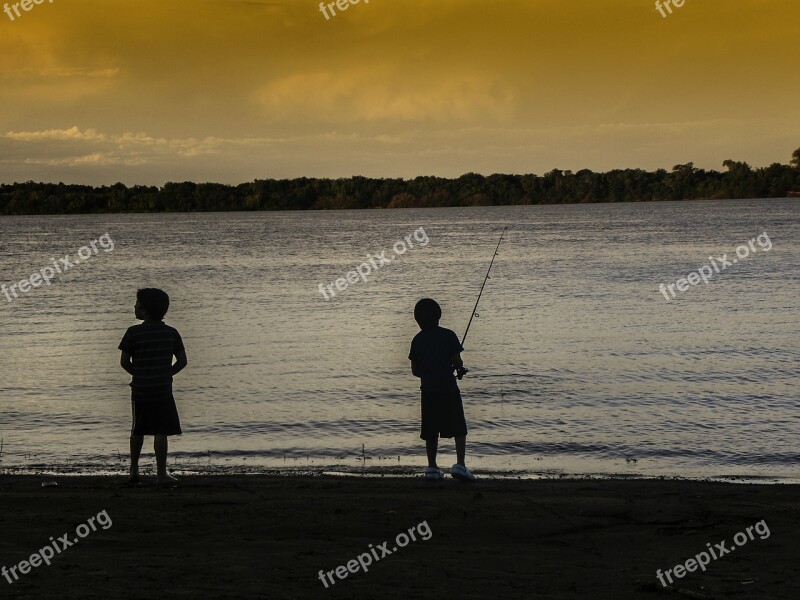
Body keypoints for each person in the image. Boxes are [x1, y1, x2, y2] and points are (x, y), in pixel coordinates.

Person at [119, 288, 187, 487]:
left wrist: (139, 374)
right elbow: (182, 361)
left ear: (145, 310)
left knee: (137, 429)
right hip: (162, 389)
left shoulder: (133, 332)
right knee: (161, 430)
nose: (134, 306)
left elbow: (124, 361)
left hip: (140, 388)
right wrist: (166, 374)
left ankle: (133, 470)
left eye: (137, 303)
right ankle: (161, 473)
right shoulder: (171, 333)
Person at [409, 298, 475, 481]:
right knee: (458, 426)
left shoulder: (417, 340)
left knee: (430, 429)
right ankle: (460, 465)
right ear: (438, 316)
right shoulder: (448, 335)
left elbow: (415, 370)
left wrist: (430, 372)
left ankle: (432, 467)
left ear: (417, 320)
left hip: (428, 390)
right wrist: (458, 370)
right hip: (448, 388)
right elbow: (458, 362)